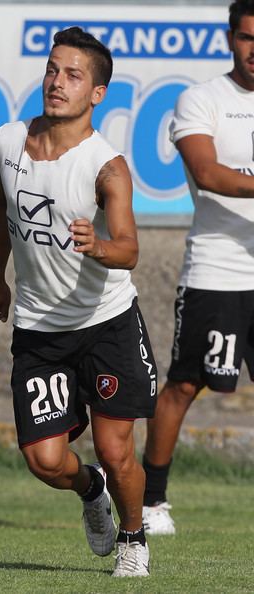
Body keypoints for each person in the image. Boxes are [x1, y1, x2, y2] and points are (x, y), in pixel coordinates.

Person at [0, 26, 157, 578]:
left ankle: (134, 537)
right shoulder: (7, 141)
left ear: (96, 93)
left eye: (73, 75)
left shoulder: (108, 167)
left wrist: (99, 245)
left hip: (106, 323)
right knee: (45, 460)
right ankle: (91, 493)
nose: (57, 83)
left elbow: (129, 249)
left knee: (116, 448)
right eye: (53, 70)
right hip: (39, 327)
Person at [142, 0, 254, 536]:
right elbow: (208, 173)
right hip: (219, 270)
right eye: (248, 38)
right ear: (231, 37)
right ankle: (151, 502)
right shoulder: (201, 99)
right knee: (186, 385)